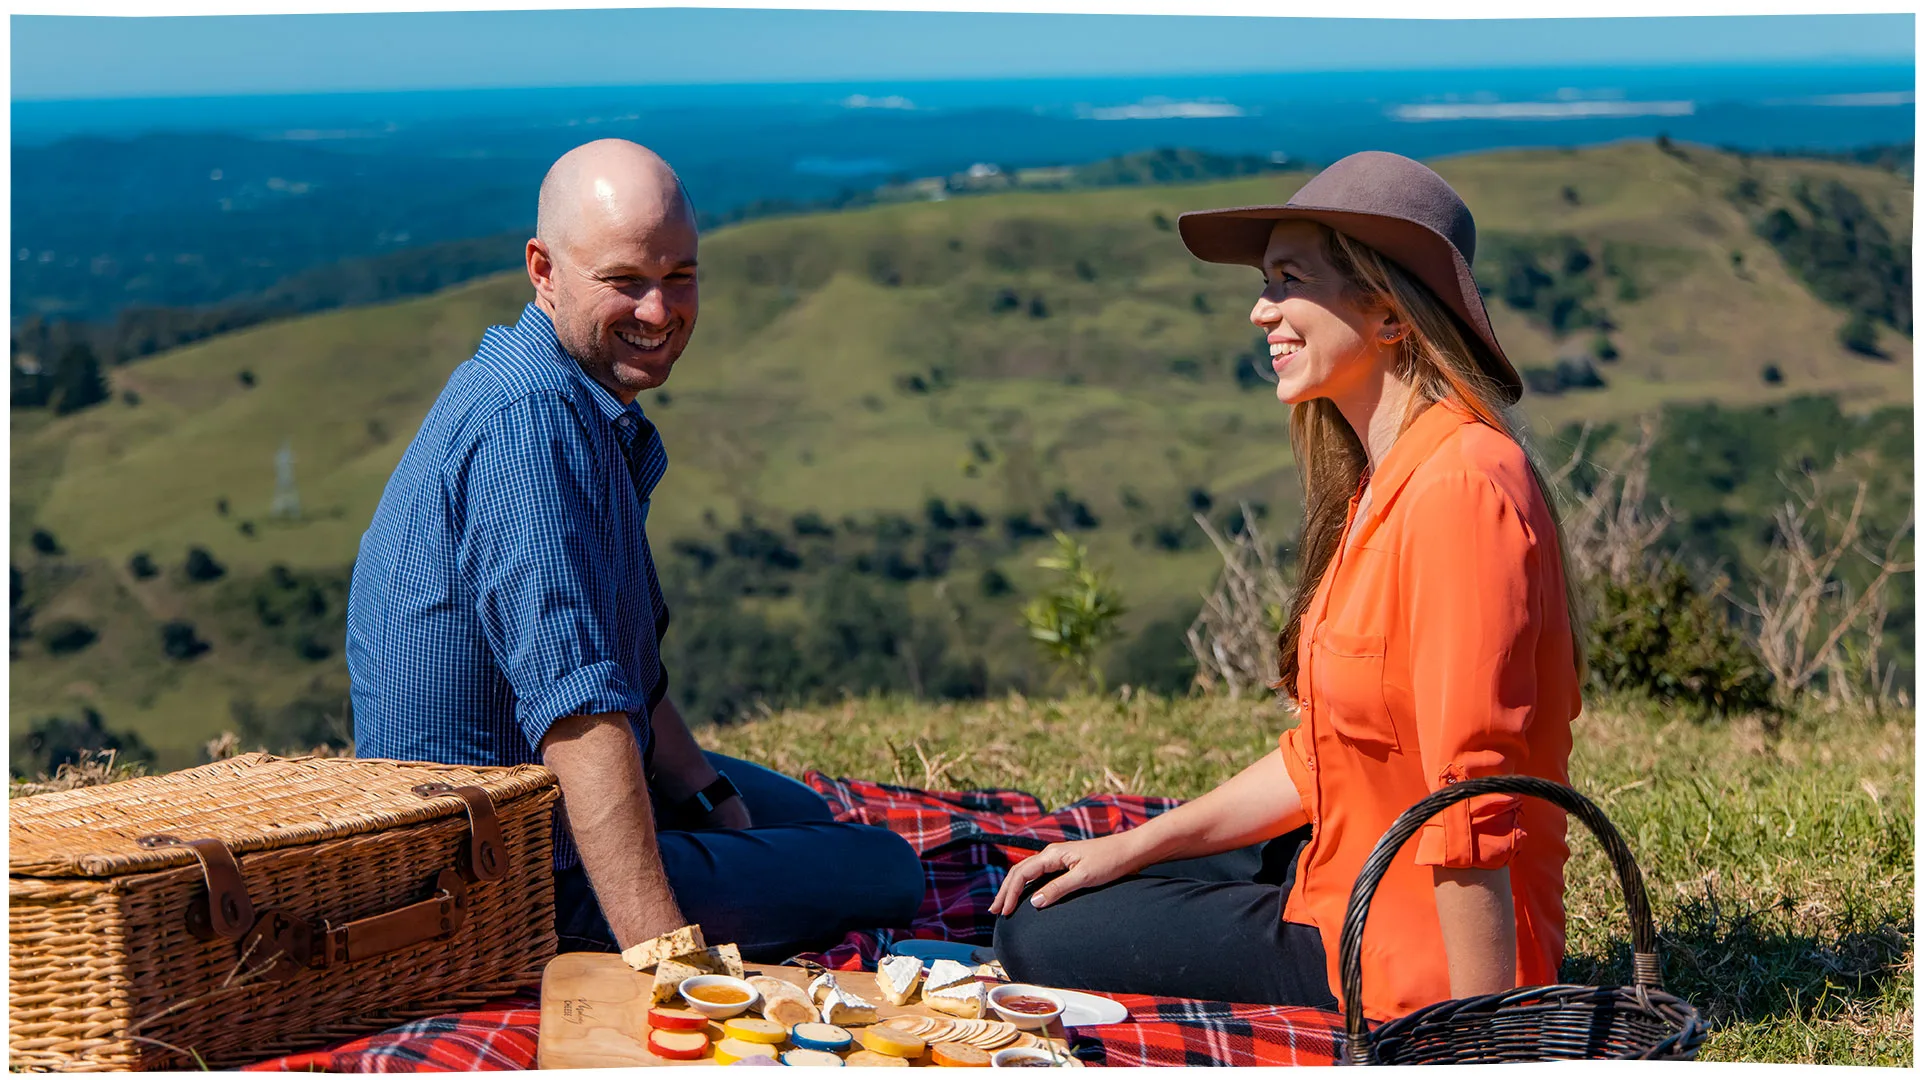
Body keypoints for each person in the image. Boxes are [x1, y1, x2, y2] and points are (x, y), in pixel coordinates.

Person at [990, 151, 1585, 1023]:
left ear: (1388, 313)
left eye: (1289, 280)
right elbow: (1326, 755)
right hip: (1343, 870)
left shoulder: (1462, 488)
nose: (1260, 309)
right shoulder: (1384, 482)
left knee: (1035, 939)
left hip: (1399, 950)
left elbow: (1471, 802)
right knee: (1079, 874)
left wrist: (1480, 1035)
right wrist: (1129, 847)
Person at [346, 139, 923, 961]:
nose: (659, 310)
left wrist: (705, 792)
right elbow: (581, 715)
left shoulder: (565, 396)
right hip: (502, 864)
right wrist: (666, 962)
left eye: (679, 276)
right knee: (888, 868)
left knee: (804, 821)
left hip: (520, 802)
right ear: (542, 270)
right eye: (624, 281)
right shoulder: (530, 430)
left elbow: (621, 671)